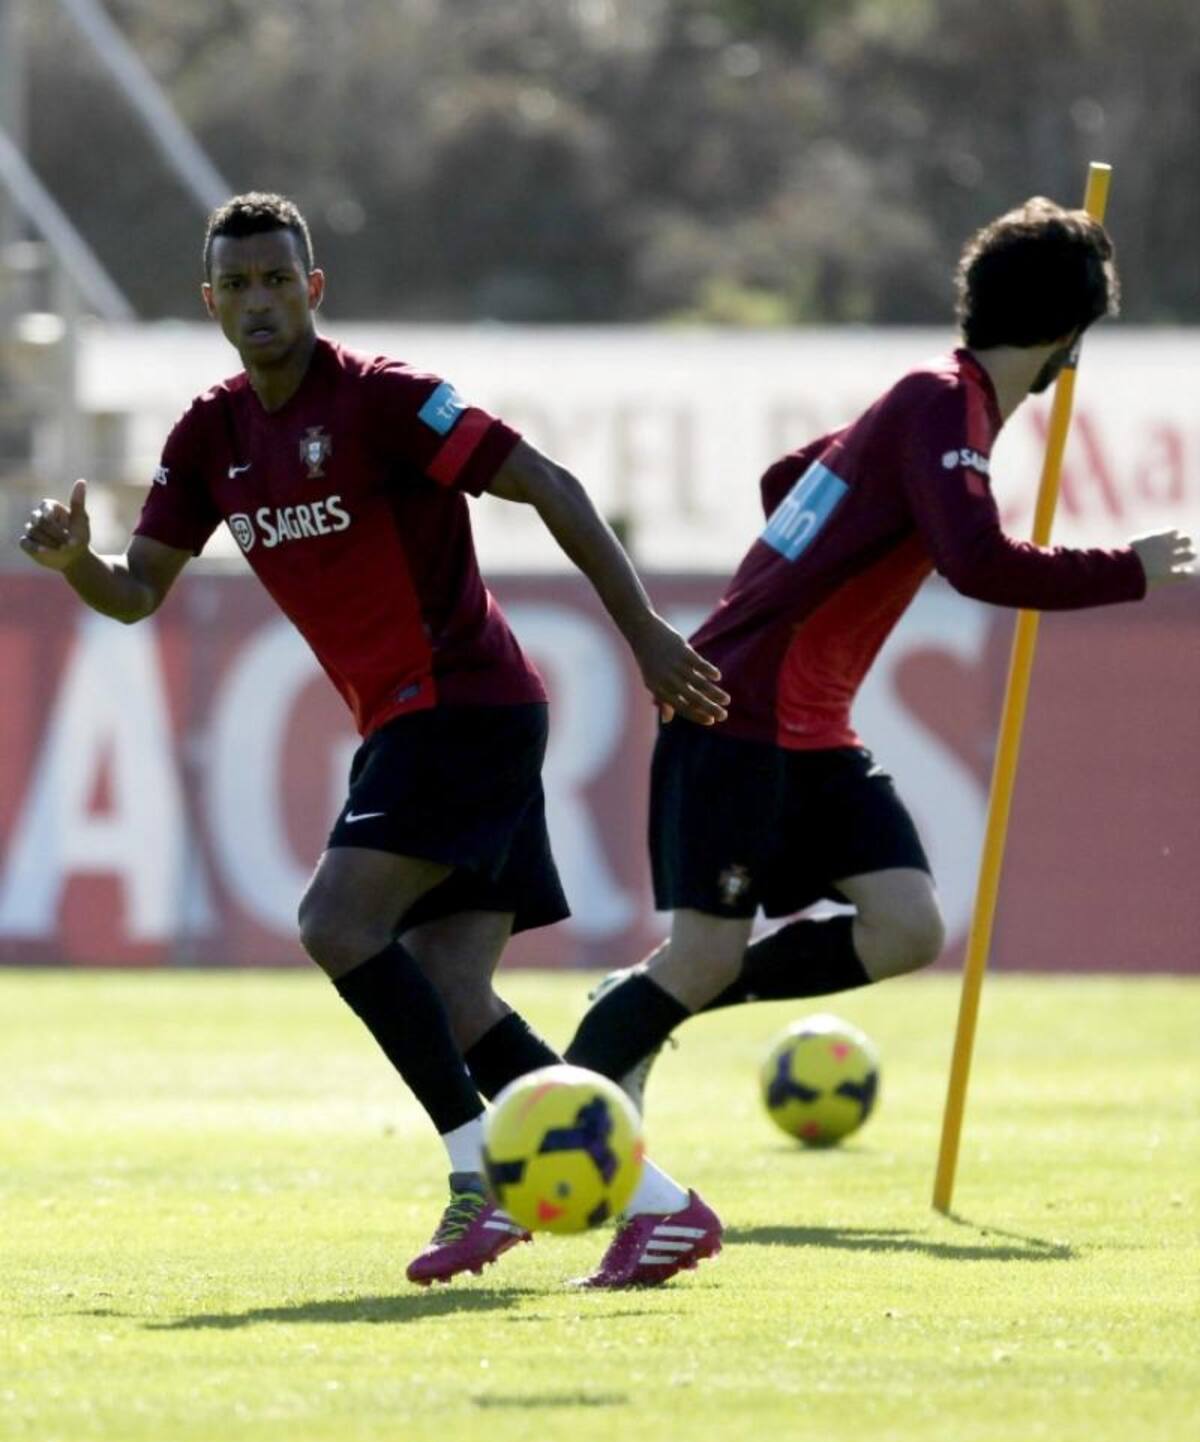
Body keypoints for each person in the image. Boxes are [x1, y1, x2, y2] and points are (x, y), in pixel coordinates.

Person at [18, 190, 729, 1289]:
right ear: (210, 303)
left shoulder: (388, 402)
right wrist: (76, 564)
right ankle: (662, 1206)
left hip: (465, 703)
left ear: (314, 289)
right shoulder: (209, 436)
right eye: (237, 286)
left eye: (277, 280)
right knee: (453, 997)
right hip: (415, 719)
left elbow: (546, 482)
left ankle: (477, 1176)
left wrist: (641, 633)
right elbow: (138, 591)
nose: (259, 302)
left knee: (335, 922)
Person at [566, 196, 1196, 1278]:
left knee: (905, 924)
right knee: (703, 954)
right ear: (1067, 341)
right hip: (741, 709)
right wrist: (1127, 569)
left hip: (812, 725)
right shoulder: (937, 406)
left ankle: (667, 989)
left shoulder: (928, 410)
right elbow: (979, 562)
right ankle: (615, 1080)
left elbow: (789, 483)